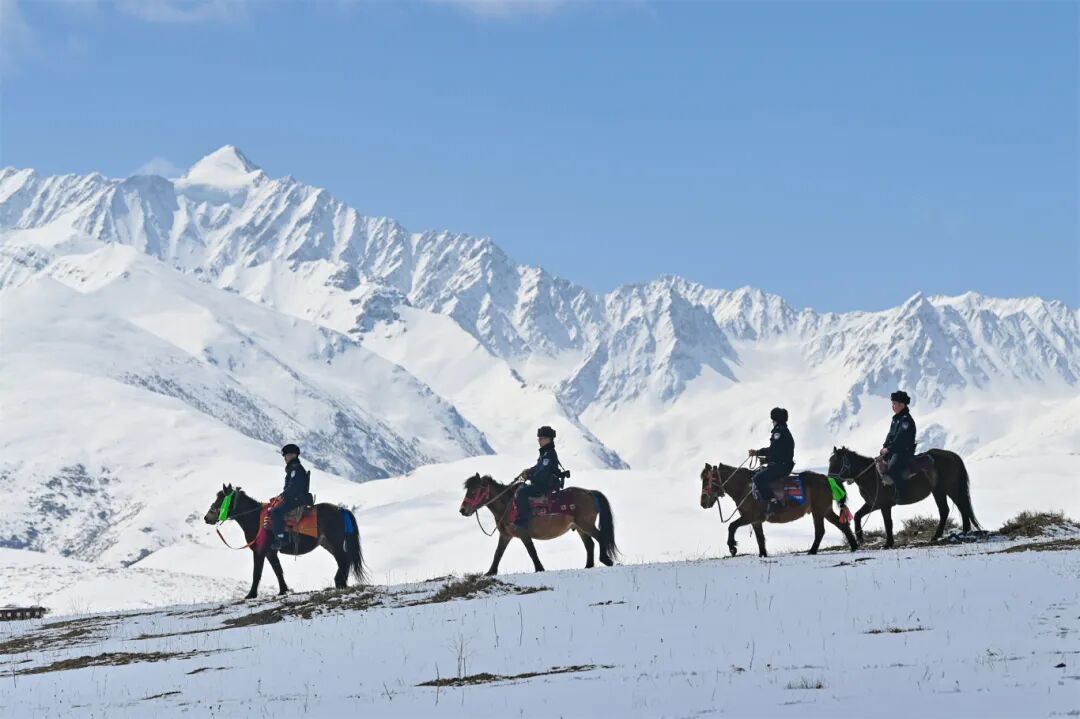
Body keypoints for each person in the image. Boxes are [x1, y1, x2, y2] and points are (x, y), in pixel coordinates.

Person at [748, 407, 795, 517]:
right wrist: (766, 460)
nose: (772, 422)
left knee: (758, 478)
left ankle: (774, 502)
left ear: (776, 420)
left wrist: (757, 452)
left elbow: (773, 450)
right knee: (759, 472)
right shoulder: (783, 430)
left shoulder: (779, 432)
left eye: (773, 420)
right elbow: (779, 453)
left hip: (782, 466)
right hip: (782, 464)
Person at [513, 426, 562, 531]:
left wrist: (530, 476)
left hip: (544, 485)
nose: (539, 441)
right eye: (539, 439)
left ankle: (523, 521)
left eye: (541, 438)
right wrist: (529, 470)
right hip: (542, 483)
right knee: (520, 488)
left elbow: (543, 473)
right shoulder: (545, 452)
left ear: (548, 439)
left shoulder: (549, 454)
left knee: (521, 493)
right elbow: (539, 467)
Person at [269, 443, 310, 550]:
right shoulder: (293, 468)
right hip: (294, 498)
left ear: (293, 455)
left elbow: (294, 487)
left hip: (297, 500)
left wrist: (283, 495)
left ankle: (280, 539)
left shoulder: (296, 469)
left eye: (286, 455)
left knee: (276, 512)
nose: (285, 458)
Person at [879, 391, 916, 501]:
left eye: (894, 403)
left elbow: (901, 439)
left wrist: (889, 449)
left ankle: (902, 493)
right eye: (893, 403)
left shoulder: (905, 420)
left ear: (902, 405)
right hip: (894, 450)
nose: (893, 406)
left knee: (892, 469)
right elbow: (890, 435)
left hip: (903, 451)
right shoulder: (896, 419)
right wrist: (884, 447)